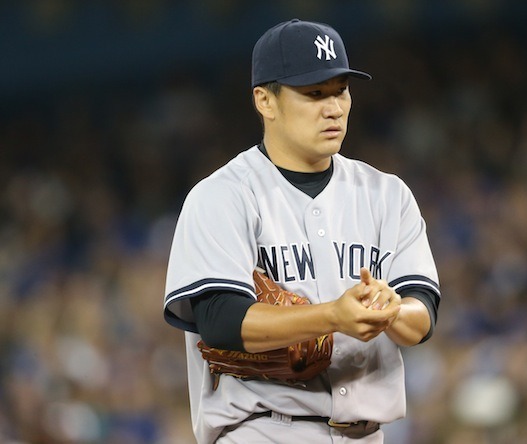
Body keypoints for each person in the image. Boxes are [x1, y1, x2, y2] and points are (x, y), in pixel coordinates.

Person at [163, 18, 441, 443]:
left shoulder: (387, 194)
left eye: (340, 91)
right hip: (264, 429)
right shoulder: (222, 196)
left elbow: (422, 313)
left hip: (368, 435)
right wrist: (331, 317)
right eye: (314, 94)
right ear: (265, 101)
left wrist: (392, 312)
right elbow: (220, 320)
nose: (333, 107)